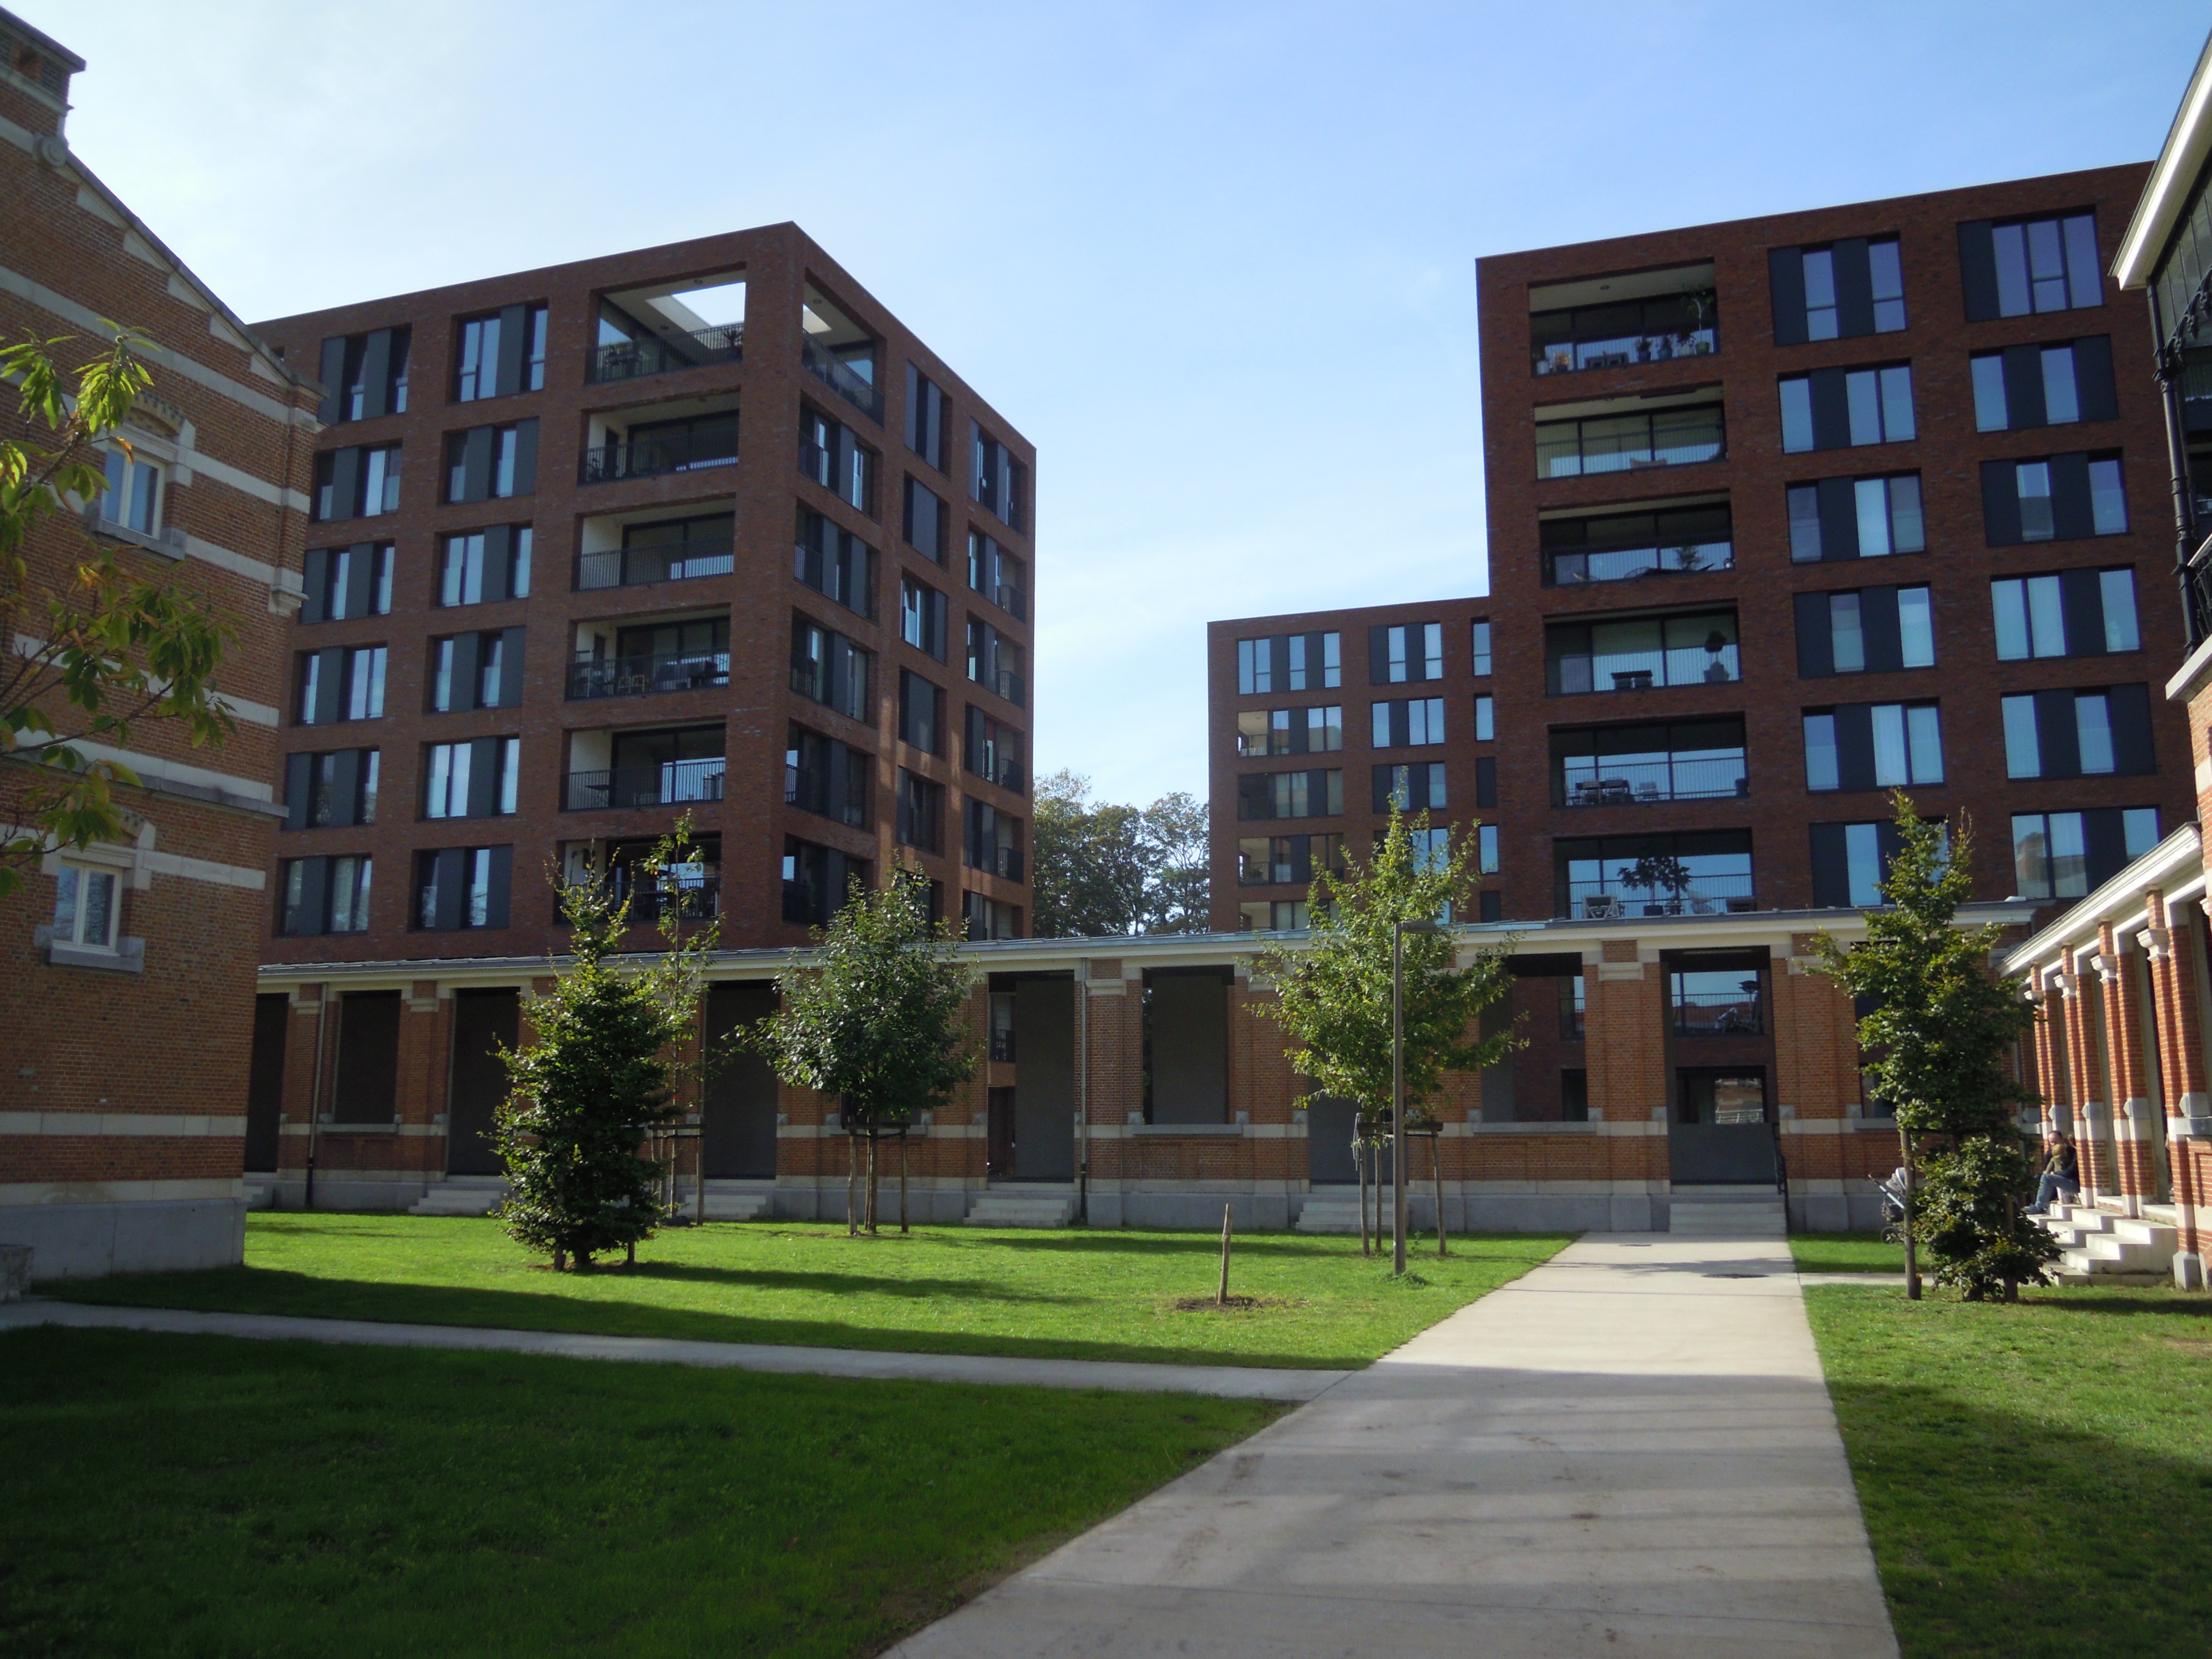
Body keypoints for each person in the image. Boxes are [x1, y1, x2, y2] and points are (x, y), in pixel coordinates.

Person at [2026, 1130, 2080, 1215]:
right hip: (2062, 1178)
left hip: (2073, 1182)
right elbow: (2045, 1168)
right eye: (2052, 1143)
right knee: (2039, 1178)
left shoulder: (2072, 1152)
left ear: (2062, 1140)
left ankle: (2039, 1207)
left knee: (2047, 1178)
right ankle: (2034, 1204)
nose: (2054, 1144)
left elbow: (2071, 1171)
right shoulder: (2050, 1153)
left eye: (2056, 1142)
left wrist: (2056, 1174)